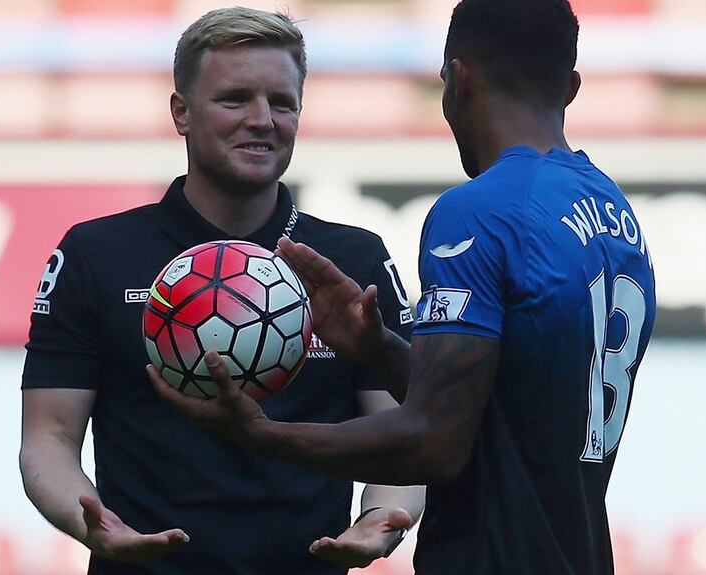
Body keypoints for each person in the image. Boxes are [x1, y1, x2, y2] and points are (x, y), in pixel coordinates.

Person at [149, 0, 658, 574]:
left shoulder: (479, 212)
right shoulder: (613, 213)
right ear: (570, 86)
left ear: (456, 79)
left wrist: (265, 435)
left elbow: (435, 442)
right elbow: (494, 409)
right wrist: (377, 349)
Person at [19, 7, 424, 575]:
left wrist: (384, 513)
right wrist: (91, 521)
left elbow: (406, 429)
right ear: (181, 113)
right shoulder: (95, 254)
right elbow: (49, 437)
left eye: (281, 103)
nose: (262, 119)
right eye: (235, 99)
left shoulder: (353, 259)